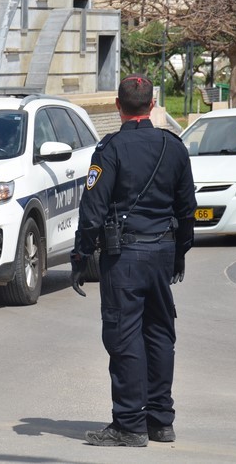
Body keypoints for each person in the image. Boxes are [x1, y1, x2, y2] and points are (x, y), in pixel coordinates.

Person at [70, 74, 196, 447]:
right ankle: (160, 421)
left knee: (124, 338)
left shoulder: (109, 150)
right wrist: (179, 252)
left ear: (118, 106)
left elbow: (92, 211)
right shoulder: (173, 147)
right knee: (159, 335)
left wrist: (80, 255)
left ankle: (129, 425)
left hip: (123, 256)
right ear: (152, 105)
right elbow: (187, 207)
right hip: (162, 252)